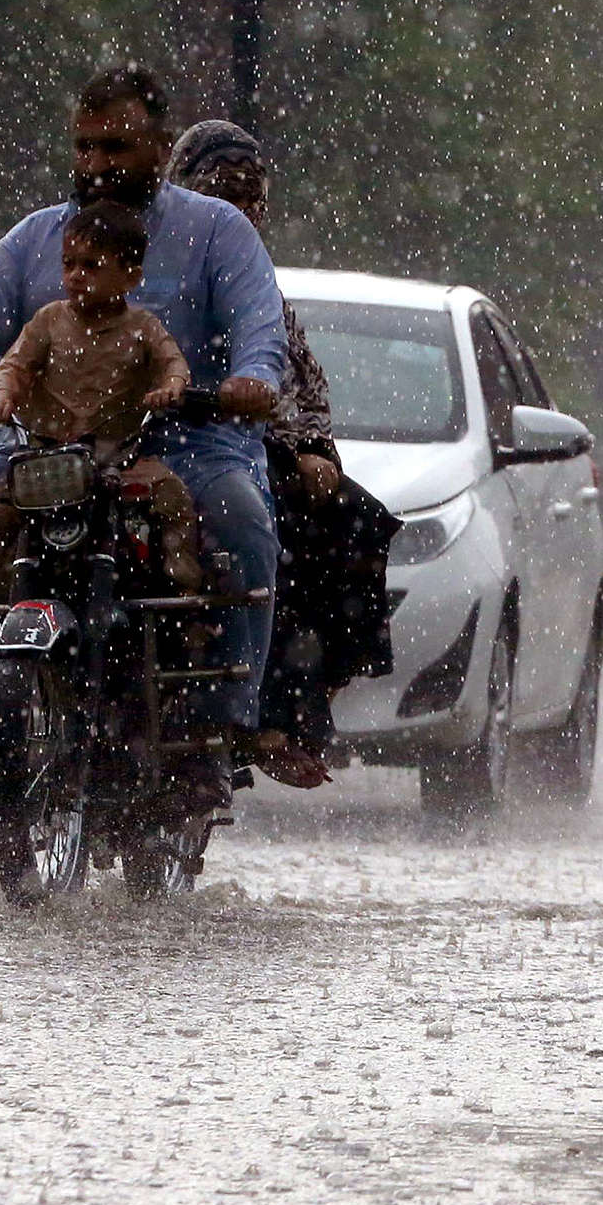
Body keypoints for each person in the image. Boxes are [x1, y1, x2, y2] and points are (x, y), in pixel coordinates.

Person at [0, 67, 287, 809]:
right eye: (86, 147)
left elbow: (258, 332)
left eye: (117, 145)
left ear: (159, 146)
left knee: (243, 528)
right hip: (48, 457)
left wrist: (249, 382)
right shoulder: (34, 241)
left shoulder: (218, 232)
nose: (99, 163)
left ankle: (216, 734)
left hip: (186, 450)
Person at [165, 120, 401, 788]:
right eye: (223, 191)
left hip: (246, 450)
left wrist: (311, 447)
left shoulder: (255, 281)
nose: (243, 209)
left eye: (253, 196)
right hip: (179, 447)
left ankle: (289, 711)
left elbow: (291, 374)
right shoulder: (145, 267)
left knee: (346, 523)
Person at [0, 199, 199, 597]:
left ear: (130, 278)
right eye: (68, 264)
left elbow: (174, 364)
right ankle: (2, 599)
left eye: (91, 266)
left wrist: (171, 389)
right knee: (2, 511)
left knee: (172, 497)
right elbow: (13, 366)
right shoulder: (48, 320)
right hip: (47, 463)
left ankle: (182, 595)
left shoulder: (142, 326)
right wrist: (1, 397)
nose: (75, 275)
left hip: (118, 463)